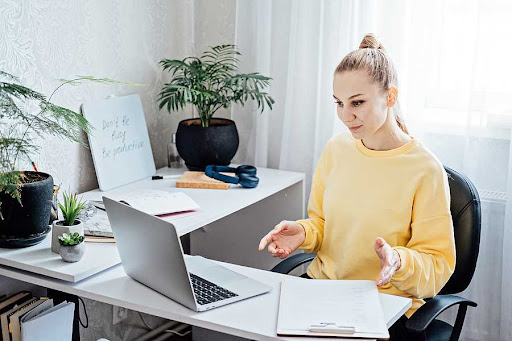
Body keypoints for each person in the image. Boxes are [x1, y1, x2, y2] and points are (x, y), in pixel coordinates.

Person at [258, 33, 456, 340]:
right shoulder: (337, 150)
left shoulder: (425, 169)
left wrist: (399, 261)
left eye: (357, 103)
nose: (345, 115)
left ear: (390, 97)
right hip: (324, 292)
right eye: (339, 103)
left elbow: (437, 266)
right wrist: (306, 232)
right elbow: (323, 224)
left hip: (385, 304)